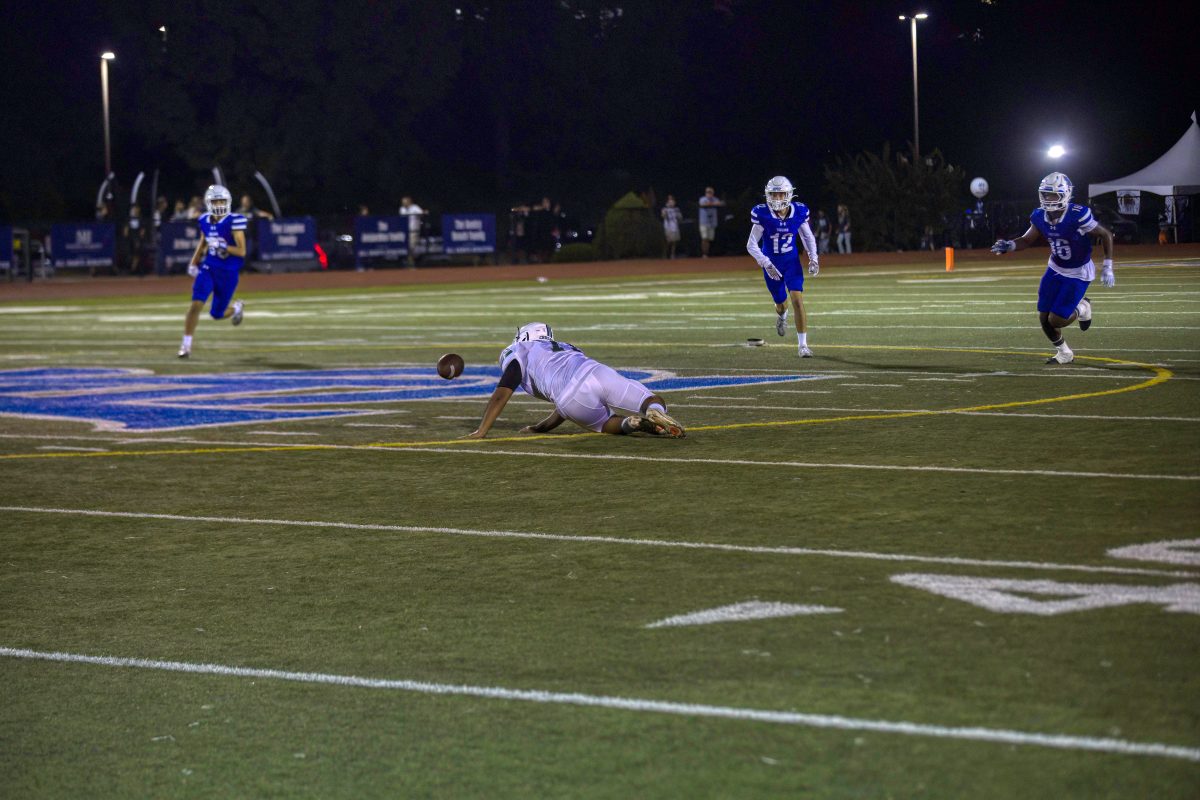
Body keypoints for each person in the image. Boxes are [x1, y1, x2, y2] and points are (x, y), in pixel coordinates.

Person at [464, 322, 685, 440]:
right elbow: (562, 407)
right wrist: (540, 427)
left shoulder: (518, 350)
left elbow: (502, 393)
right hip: (596, 371)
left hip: (569, 399)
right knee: (649, 399)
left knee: (604, 424)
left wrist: (482, 430)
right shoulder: (565, 346)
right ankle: (655, 411)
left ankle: (631, 424)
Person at [991, 172, 1115, 365]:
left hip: (1078, 272)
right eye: (1045, 194)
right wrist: (1010, 245)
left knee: (1056, 320)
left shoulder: (1077, 214)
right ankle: (1064, 353)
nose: (1048, 199)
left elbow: (1105, 234)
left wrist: (1108, 266)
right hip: (1055, 268)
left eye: (1054, 195)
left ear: (1065, 194)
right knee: (1044, 316)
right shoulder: (1039, 216)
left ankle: (1083, 307)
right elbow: (1027, 240)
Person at [746, 176, 820, 358]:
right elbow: (751, 245)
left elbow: (807, 237)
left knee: (797, 300)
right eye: (773, 194)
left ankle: (803, 346)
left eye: (780, 194)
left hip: (791, 262)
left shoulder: (799, 211)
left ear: (788, 195)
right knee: (781, 303)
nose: (777, 198)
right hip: (771, 263)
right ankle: (782, 316)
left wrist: (813, 258)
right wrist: (766, 263)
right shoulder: (763, 214)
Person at [178, 185, 247, 358]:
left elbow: (242, 251)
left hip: (228, 273)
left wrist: (224, 246)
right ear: (209, 203)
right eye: (216, 201)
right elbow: (203, 241)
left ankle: (236, 308)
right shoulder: (204, 220)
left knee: (217, 314)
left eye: (222, 201)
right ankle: (186, 345)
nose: (219, 204)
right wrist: (194, 261)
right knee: (196, 304)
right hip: (208, 268)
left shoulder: (234, 221)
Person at [398, 195, 424, 267]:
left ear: (409, 202)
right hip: (404, 231)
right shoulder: (402, 209)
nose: (403, 203)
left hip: (413, 230)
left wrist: (421, 213)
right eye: (402, 202)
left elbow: (421, 213)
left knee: (411, 246)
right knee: (405, 247)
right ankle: (408, 261)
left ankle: (410, 261)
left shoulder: (415, 207)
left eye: (405, 202)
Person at [698, 186, 723, 257]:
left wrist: (715, 203)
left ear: (713, 193)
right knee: (704, 238)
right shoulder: (702, 199)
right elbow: (703, 204)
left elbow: (721, 203)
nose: (709, 193)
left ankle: (707, 253)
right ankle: (704, 253)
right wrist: (714, 204)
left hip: (712, 222)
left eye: (710, 192)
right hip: (704, 222)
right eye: (707, 192)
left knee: (709, 239)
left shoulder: (715, 199)